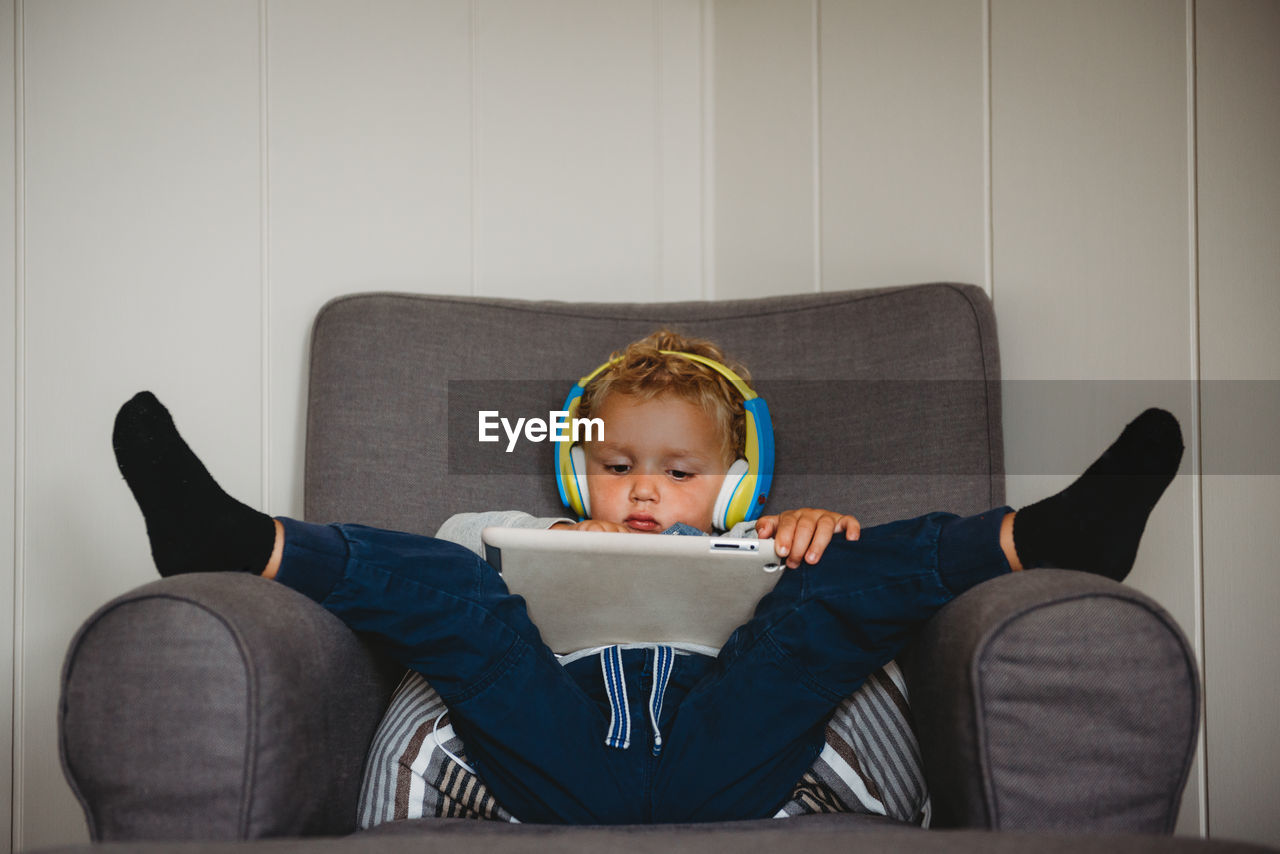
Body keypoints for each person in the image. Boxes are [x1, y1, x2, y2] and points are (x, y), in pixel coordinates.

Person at [110, 329, 1184, 825]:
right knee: (456, 587)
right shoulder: (514, 528)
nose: (641, 490)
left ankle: (1042, 537)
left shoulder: (769, 536)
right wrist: (508, 548)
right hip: (557, 755)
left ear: (733, 477)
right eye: (616, 466)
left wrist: (806, 535)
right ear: (579, 466)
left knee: (835, 584)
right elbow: (446, 600)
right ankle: (244, 541)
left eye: (676, 473)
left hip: (728, 753)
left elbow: (819, 633)